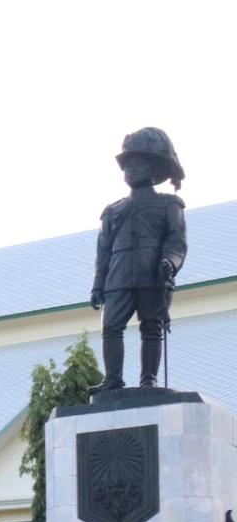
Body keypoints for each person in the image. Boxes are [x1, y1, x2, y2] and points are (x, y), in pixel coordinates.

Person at [90, 127, 188, 391]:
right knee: (111, 327)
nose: (130, 170)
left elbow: (176, 241)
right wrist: (98, 284)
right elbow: (104, 251)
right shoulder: (113, 211)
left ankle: (148, 380)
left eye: (137, 163)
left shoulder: (169, 205)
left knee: (152, 327)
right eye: (126, 165)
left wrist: (170, 262)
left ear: (154, 168)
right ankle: (113, 379)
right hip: (118, 276)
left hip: (151, 274)